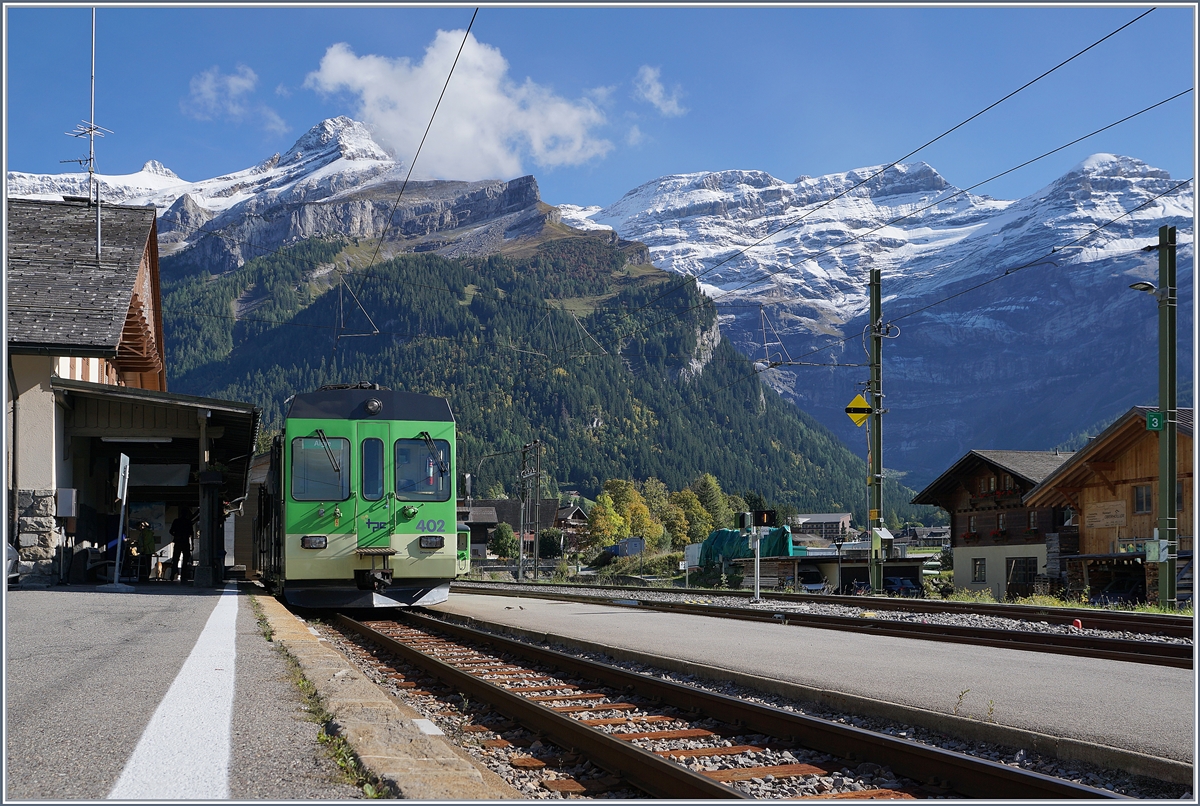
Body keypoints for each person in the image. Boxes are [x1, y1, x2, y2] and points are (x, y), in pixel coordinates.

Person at [169, 507, 194, 582]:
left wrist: (176, 535)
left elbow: (170, 531)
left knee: (175, 558)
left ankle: (173, 574)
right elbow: (191, 534)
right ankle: (183, 576)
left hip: (178, 541)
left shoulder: (176, 521)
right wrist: (192, 544)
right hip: (185, 542)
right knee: (185, 560)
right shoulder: (188, 522)